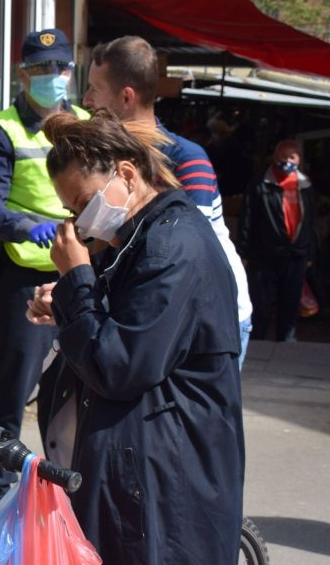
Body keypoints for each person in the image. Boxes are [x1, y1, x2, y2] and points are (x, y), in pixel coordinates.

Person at [34, 111, 244, 565]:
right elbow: (123, 326)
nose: (81, 221)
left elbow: (117, 364)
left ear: (126, 174)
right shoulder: (138, 237)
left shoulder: (170, 245)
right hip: (142, 469)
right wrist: (67, 298)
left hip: (166, 477)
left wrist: (78, 280)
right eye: (72, 211)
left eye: (85, 203)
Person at [0, 28, 89, 510]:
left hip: (76, 273)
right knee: (16, 384)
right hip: (24, 276)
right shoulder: (1, 129)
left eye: (59, 68)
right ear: (22, 74)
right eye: (41, 69)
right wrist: (27, 226)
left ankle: (66, 481)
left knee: (75, 382)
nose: (52, 77)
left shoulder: (83, 123)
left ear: (70, 72)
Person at [82, 35, 253, 366]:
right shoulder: (102, 161)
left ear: (126, 96)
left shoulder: (184, 159)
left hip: (207, 324)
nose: (86, 99)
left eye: (94, 89)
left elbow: (187, 257)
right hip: (147, 317)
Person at [238, 138, 316, 342]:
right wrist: (244, 253)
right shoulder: (260, 183)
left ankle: (286, 342)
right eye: (283, 156)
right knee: (261, 304)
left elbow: (310, 222)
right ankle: (257, 341)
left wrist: (310, 253)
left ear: (299, 159)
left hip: (296, 255)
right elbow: (247, 219)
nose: (287, 160)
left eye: (292, 156)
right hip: (265, 254)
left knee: (290, 304)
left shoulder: (304, 185)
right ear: (274, 157)